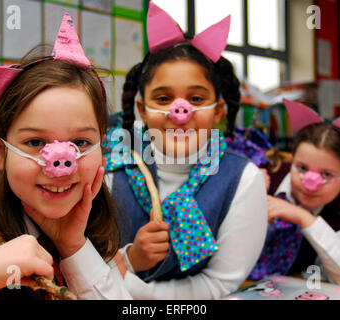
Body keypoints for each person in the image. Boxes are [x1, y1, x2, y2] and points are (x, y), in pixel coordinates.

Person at [0, 13, 131, 300]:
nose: (61, 166)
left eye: (80, 142)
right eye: (34, 142)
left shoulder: (94, 225)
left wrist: (74, 247)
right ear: (0, 151)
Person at [102, 3, 267, 299]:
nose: (180, 111)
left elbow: (219, 283)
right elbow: (89, 264)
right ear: (143, 109)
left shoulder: (242, 179)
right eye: (163, 98)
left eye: (196, 97)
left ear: (218, 111)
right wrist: (130, 257)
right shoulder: (110, 170)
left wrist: (137, 292)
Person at [249, 99, 340, 289]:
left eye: (326, 174)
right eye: (301, 168)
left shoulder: (339, 211)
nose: (310, 185)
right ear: (291, 162)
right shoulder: (265, 175)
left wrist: (306, 219)